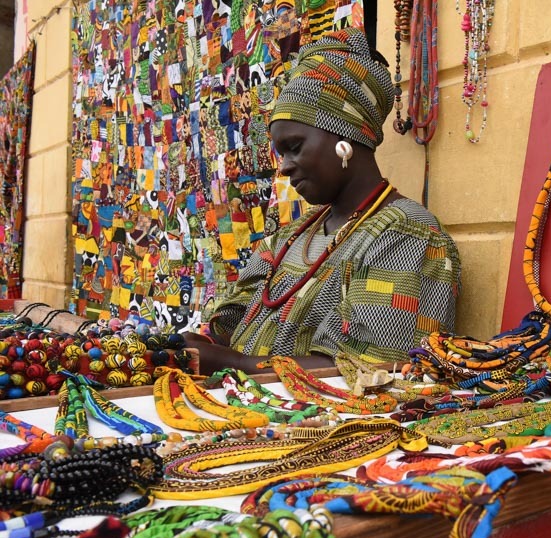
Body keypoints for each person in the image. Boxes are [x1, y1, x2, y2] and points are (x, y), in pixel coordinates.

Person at [186, 28, 461, 374]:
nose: (284, 166)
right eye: (280, 152)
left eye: (295, 147)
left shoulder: (407, 236)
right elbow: (231, 322)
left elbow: (370, 370)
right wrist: (196, 346)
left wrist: (238, 364)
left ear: (345, 136)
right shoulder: (290, 237)